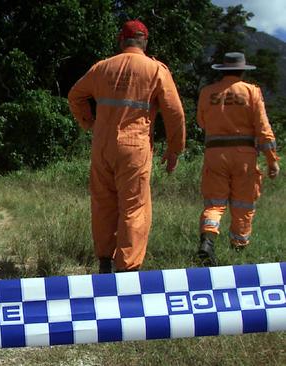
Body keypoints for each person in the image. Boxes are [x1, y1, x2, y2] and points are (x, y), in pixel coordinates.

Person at [67, 20, 185, 273]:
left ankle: (104, 262)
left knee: (103, 203)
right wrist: (174, 148)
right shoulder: (155, 70)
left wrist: (88, 122)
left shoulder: (102, 68)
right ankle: (127, 270)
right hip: (134, 146)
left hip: (102, 146)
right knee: (134, 207)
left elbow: (75, 95)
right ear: (145, 42)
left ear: (122, 41)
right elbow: (174, 113)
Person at [196, 52, 280, 265]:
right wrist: (272, 160)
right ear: (243, 71)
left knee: (214, 203)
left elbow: (202, 121)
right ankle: (238, 250)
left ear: (223, 70)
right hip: (244, 156)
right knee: (243, 205)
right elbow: (263, 128)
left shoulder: (207, 92)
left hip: (215, 153)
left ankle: (208, 239)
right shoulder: (252, 91)